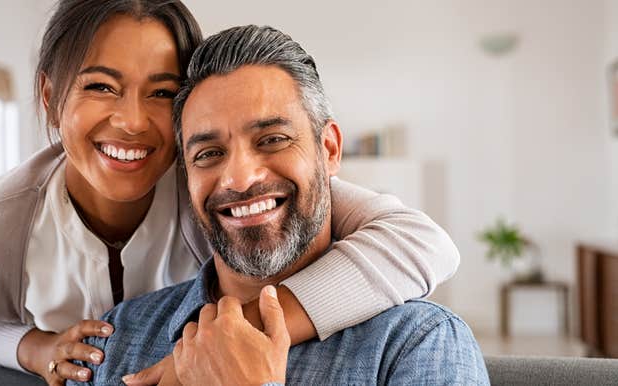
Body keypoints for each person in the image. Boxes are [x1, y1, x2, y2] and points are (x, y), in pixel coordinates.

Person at [0, 1, 460, 385]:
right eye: (100, 86)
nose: (133, 121)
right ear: (50, 97)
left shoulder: (413, 345)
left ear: (328, 148)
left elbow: (421, 242)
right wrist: (34, 348)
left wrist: (241, 336)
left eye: (162, 92)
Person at [73, 24, 488, 386]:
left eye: (272, 140)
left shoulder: (418, 343)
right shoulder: (114, 341)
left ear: (328, 150)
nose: (239, 178)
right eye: (209, 153)